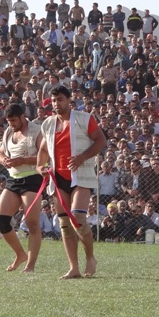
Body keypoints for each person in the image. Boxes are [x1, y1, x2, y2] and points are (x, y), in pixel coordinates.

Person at [36, 86, 106, 279]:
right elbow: (42, 150)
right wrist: (40, 167)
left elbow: (101, 141)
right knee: (65, 223)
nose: (57, 104)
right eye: (53, 101)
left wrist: (82, 157)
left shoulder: (84, 119)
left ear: (69, 100)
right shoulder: (48, 124)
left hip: (81, 176)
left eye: (60, 100)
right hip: (58, 179)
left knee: (78, 218)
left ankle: (90, 257)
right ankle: (73, 268)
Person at [0, 104, 43, 272]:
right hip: (14, 179)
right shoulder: (8, 131)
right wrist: (4, 160)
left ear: (23, 117)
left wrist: (23, 160)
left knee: (32, 223)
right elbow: (0, 152)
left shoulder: (37, 130)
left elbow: (45, 156)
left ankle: (30, 265)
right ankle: (20, 255)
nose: (11, 124)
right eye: (9, 121)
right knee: (1, 221)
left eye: (14, 121)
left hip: (32, 179)